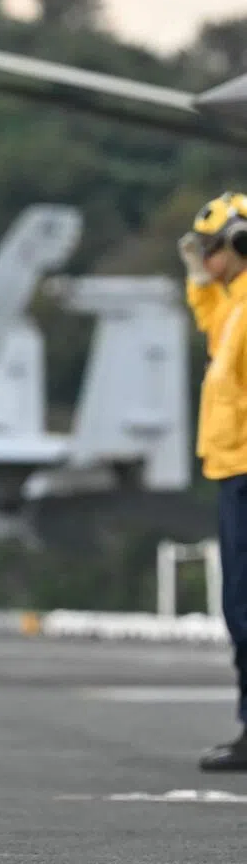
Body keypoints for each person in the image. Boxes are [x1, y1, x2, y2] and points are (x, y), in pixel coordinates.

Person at [178, 192, 247, 773]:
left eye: (211, 248)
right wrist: (201, 278)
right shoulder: (234, 306)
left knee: (245, 610)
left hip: (245, 471)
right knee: (239, 608)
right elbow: (210, 321)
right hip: (232, 470)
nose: (203, 257)